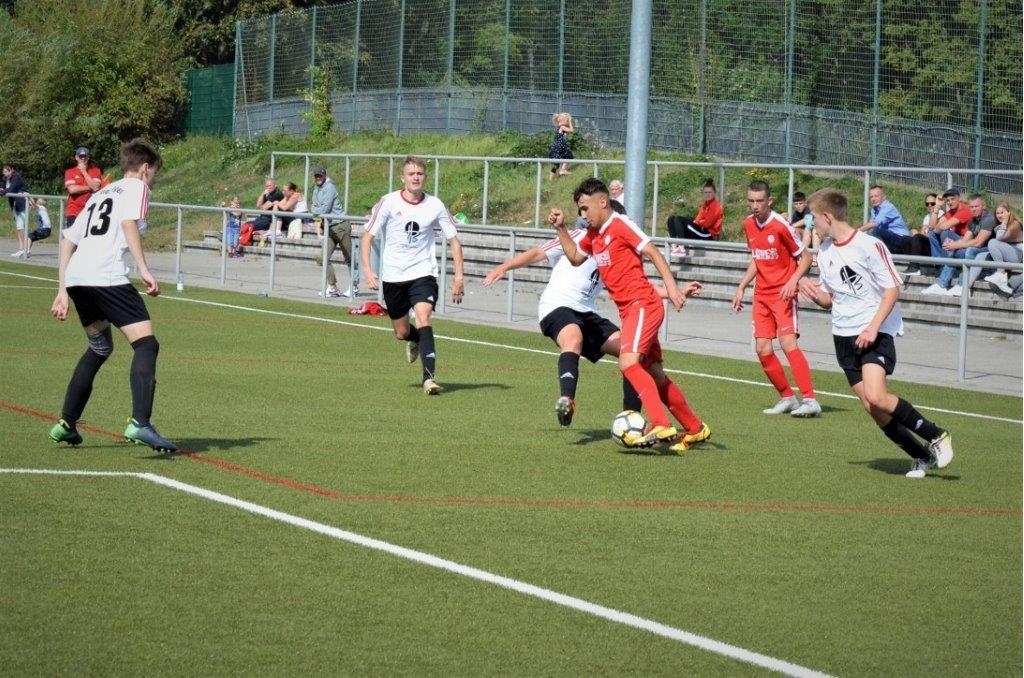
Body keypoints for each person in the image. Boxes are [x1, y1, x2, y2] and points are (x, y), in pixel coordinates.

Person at [798, 188, 953, 479]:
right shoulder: (826, 250)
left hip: (874, 333)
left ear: (827, 217)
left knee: (877, 396)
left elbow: (892, 289)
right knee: (872, 407)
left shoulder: (869, 245)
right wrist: (814, 294)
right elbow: (830, 299)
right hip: (843, 337)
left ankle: (937, 435)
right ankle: (921, 456)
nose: (811, 225)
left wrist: (873, 327)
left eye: (813, 218)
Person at [550, 177, 709, 453]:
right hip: (631, 310)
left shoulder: (620, 225)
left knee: (628, 363)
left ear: (603, 202)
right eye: (579, 210)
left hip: (642, 305)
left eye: (585, 208)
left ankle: (661, 423)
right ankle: (695, 428)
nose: (583, 214)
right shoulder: (594, 235)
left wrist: (673, 288)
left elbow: (653, 252)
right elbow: (575, 257)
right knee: (655, 374)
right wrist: (561, 228)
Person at [47, 138, 177, 453]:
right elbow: (127, 222)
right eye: (154, 173)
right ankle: (140, 422)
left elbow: (67, 240)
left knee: (100, 347)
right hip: (105, 277)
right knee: (146, 344)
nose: (153, 180)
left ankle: (66, 423)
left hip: (78, 278)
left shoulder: (102, 192)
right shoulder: (138, 188)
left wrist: (62, 289)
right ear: (145, 168)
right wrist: (144, 269)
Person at [482, 204, 642, 427]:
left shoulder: (617, 253)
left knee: (631, 353)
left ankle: (632, 419)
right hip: (557, 305)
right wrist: (504, 267)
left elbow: (636, 287)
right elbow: (539, 252)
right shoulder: (577, 236)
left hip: (588, 312)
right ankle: (567, 400)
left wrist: (674, 291)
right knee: (573, 339)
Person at [360, 155, 465, 395]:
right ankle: (414, 339)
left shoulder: (435, 205)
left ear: (425, 177)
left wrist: (459, 277)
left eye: (419, 173)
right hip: (393, 276)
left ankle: (429, 379)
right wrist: (367, 269)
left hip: (423, 273)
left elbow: (454, 241)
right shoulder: (388, 202)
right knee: (402, 332)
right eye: (411, 174)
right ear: (403, 178)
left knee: (423, 316)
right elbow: (367, 237)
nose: (415, 178)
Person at [731, 180, 820, 417]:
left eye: (759, 201)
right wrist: (742, 286)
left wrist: (793, 281)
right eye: (751, 201)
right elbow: (757, 258)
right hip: (761, 294)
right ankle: (787, 398)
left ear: (769, 201)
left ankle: (810, 400)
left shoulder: (781, 225)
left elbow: (806, 258)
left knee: (788, 343)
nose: (755, 205)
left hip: (783, 293)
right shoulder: (748, 224)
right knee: (762, 348)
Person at [922, 193, 994, 297]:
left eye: (976, 206)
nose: (973, 209)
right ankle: (941, 284)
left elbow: (978, 242)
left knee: (970, 251)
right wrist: (953, 245)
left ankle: (962, 286)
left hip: (989, 251)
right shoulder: (973, 220)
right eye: (971, 207)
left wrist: (955, 245)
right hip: (978, 248)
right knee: (956, 250)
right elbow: (966, 239)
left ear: (984, 206)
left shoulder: (988, 219)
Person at [311, 166, 357, 298]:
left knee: (349, 257)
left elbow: (324, 209)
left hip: (341, 225)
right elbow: (314, 206)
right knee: (322, 257)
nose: (318, 178)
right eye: (316, 176)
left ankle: (354, 286)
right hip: (329, 227)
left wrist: (315, 209)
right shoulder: (316, 189)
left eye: (320, 176)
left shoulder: (330, 187)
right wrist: (316, 210)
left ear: (324, 175)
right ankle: (333, 287)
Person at [666, 178, 724, 258]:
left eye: (710, 192)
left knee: (679, 220)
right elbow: (698, 219)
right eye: (706, 192)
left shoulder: (716, 206)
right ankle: (674, 246)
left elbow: (707, 223)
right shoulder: (705, 205)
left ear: (714, 193)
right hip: (701, 230)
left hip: (708, 234)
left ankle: (681, 248)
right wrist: (699, 221)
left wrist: (699, 221)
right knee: (671, 219)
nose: (708, 194)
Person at [982, 202, 1023, 295]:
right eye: (997, 213)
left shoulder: (1015, 224)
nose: (1000, 215)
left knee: (993, 242)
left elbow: (999, 238)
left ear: (1009, 212)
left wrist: (1004, 222)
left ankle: (1001, 274)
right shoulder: (999, 226)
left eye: (1002, 212)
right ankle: (965, 286)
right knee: (981, 255)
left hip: (1018, 255)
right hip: (1010, 253)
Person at [860, 185, 911, 255]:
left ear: (884, 197)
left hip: (902, 240)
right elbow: (870, 224)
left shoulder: (888, 207)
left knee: (874, 231)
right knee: (868, 234)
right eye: (871, 197)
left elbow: (874, 224)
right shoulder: (874, 210)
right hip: (890, 239)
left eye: (876, 196)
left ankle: (881, 256)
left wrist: (857, 231)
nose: (873, 199)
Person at [64, 146, 103, 228]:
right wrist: (90, 188)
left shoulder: (96, 171)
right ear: (76, 157)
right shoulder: (70, 172)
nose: (83, 158)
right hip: (73, 212)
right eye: (80, 156)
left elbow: (96, 188)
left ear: (88, 157)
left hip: (91, 211)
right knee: (73, 236)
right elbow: (72, 190)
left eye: (85, 156)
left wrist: (84, 172)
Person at [1, 164, 29, 258]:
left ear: (11, 170)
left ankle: (25, 249)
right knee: (19, 227)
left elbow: (10, 190)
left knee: (21, 226)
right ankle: (21, 249)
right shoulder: (5, 178)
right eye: (4, 172)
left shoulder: (16, 177)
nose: (5, 174)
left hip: (22, 203)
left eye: (6, 171)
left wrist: (2, 191)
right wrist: (2, 190)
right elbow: (3, 187)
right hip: (14, 204)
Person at [548, 112, 574, 179]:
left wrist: (568, 118)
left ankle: (553, 178)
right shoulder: (562, 127)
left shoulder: (562, 127)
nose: (568, 121)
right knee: (568, 156)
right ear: (562, 121)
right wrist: (570, 121)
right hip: (558, 148)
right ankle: (562, 170)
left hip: (559, 148)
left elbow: (570, 127)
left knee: (558, 163)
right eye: (566, 120)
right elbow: (572, 130)